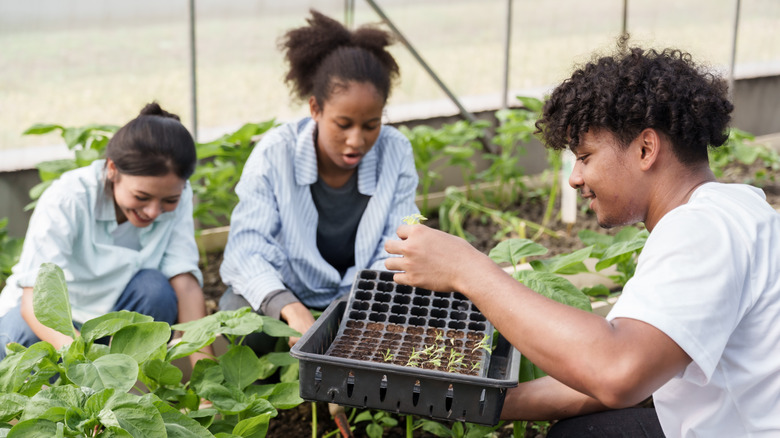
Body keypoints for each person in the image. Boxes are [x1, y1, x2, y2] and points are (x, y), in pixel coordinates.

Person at [385, 44, 780, 437]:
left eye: (585, 156)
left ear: (646, 149)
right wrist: (472, 400)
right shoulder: (732, 209)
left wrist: (466, 269)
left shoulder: (702, 231)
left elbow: (616, 372)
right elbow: (613, 371)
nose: (575, 177)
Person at [219, 9, 419, 353]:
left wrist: (352, 315)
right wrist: (292, 310)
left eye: (371, 125)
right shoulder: (275, 154)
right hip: (291, 291)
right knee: (238, 316)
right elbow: (245, 250)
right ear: (315, 109)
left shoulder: (395, 150)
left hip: (362, 297)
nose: (357, 140)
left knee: (423, 306)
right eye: (343, 124)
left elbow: (396, 246)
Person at [0, 102, 212, 365]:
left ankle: (132, 385)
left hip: (111, 316)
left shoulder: (177, 195)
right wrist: (87, 365)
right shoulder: (69, 198)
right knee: (19, 347)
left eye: (169, 200)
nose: (154, 211)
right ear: (112, 169)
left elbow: (185, 283)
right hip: (51, 322)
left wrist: (207, 386)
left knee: (155, 290)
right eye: (141, 196)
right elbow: (35, 302)